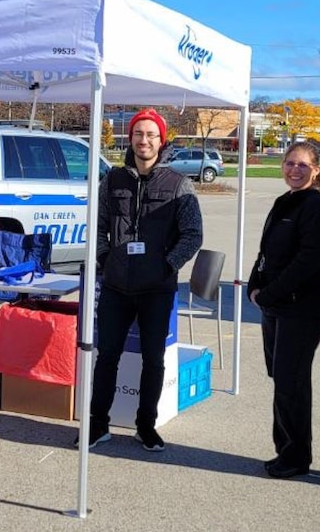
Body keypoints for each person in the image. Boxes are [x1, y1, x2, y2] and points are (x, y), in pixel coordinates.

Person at [84, 108, 203, 451]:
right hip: (116, 287)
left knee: (154, 359)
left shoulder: (178, 185)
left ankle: (145, 426)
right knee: (107, 357)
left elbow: (192, 234)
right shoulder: (114, 180)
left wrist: (168, 265)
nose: (144, 140)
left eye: (151, 134)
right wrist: (106, 259)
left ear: (161, 141)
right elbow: (99, 225)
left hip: (157, 289)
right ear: (131, 138)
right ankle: (98, 425)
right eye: (139, 134)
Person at [247, 141, 320, 479]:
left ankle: (297, 456)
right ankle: (283, 448)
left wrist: (270, 294)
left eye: (302, 165)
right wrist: (256, 284)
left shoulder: (317, 206)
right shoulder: (284, 201)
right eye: (289, 163)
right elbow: (266, 251)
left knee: (292, 382)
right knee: (280, 378)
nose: (294, 170)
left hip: (303, 308)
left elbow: (308, 261)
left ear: (316, 170)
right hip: (275, 305)